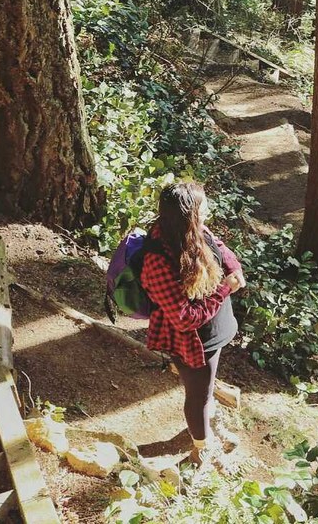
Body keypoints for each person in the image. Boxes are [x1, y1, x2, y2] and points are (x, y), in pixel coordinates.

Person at [140, 181, 246, 467]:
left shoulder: (189, 229)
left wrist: (234, 268)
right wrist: (225, 289)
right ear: (188, 216)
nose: (208, 209)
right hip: (191, 342)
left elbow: (218, 246)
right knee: (198, 396)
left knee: (206, 388)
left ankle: (209, 422)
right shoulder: (157, 261)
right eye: (203, 206)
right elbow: (185, 318)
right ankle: (202, 447)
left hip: (212, 331)